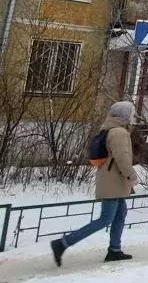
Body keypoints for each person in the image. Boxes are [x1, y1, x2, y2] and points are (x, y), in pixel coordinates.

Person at [51, 101, 138, 266]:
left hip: (113, 180)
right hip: (113, 182)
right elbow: (122, 158)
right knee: (105, 219)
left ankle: (115, 249)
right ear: (124, 115)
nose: (133, 117)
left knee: (120, 214)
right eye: (131, 113)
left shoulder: (109, 129)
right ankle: (62, 243)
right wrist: (132, 176)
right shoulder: (119, 132)